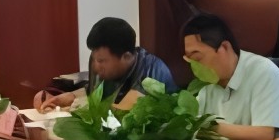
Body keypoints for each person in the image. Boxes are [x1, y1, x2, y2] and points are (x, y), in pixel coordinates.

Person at [180, 11, 279, 140]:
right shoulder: (205, 85)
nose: (195, 67)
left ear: (224, 47)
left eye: (197, 58)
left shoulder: (264, 72)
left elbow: (263, 137)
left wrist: (209, 126)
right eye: (190, 61)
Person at [34, 16, 176, 113]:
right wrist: (69, 97)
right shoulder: (102, 66)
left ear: (126, 57)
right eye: (95, 59)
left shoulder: (151, 74)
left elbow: (121, 114)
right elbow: (95, 94)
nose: (96, 67)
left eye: (101, 61)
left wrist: (76, 104)